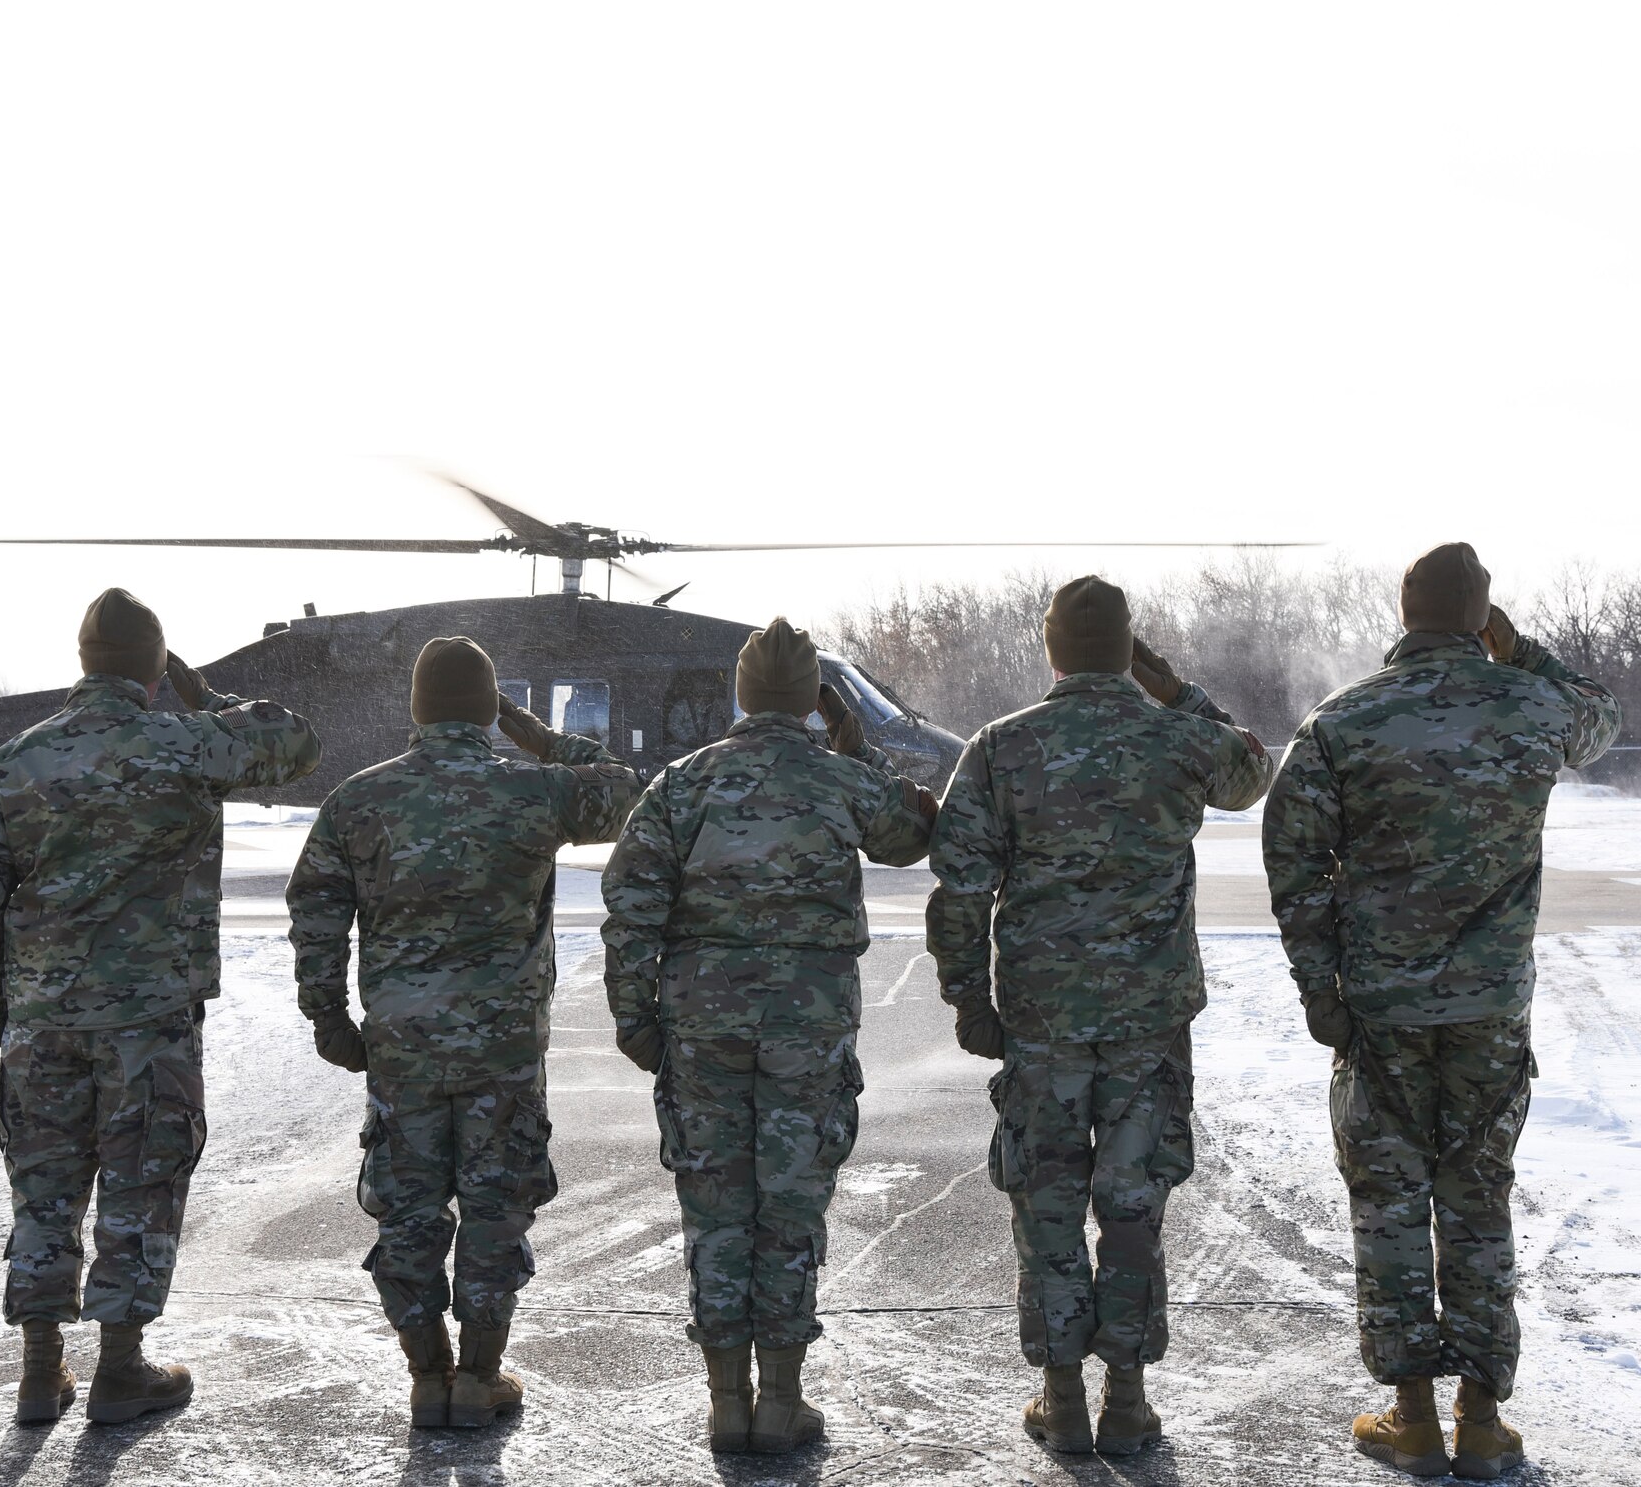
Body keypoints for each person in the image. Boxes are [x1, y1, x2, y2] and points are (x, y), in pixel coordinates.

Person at [1263, 542, 1620, 1479]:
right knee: (1477, 1198)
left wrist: (1320, 991)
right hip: (1490, 1010)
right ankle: (1482, 1417)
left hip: (1379, 1010)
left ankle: (1411, 1414)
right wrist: (1521, 650)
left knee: (1387, 1200)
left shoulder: (1343, 723)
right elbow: (1605, 718)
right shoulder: (1535, 704)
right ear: (1481, 616)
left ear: (1404, 611)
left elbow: (1293, 867)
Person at [0, 588, 321, 1424]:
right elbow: (295, 741)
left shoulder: (16, 759)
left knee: (43, 1190)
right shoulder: (187, 744)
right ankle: (121, 1368)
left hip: (41, 1020)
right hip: (147, 1021)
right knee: (140, 1183)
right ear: (153, 667)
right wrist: (202, 694)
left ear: (82, 662)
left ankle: (41, 1373)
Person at [927, 575, 1272, 1456]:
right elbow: (1252, 770)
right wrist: (1176, 688)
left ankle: (1061, 1395)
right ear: (1129, 652)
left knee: (1045, 1202)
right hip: (1149, 1021)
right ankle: (1126, 1397)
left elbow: (960, 887)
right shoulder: (1177, 736)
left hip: (1040, 1021)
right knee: (1131, 1206)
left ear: (1050, 650)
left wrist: (970, 997)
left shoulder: (1003, 747)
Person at [601, 617, 937, 1456]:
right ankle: (781, 1401)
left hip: (701, 1027)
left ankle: (725, 1401)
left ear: (742, 696)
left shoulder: (683, 783)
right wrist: (859, 751)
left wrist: (636, 1018)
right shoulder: (838, 779)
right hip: (807, 1029)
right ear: (812, 702)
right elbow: (915, 833)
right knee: (789, 1208)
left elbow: (630, 905)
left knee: (715, 1209)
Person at [287, 636, 641, 1428]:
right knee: (494, 1208)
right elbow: (624, 785)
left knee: (408, 1213)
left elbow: (315, 914)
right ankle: (480, 1377)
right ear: (488, 711)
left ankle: (426, 1375)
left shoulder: (359, 800)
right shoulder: (535, 792)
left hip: (401, 1052)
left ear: (416, 711)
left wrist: (330, 1019)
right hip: (503, 1050)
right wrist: (535, 733)